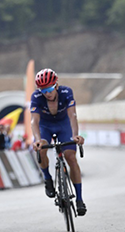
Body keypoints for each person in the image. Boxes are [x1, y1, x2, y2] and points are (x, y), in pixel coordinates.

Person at [30, 68, 86, 216]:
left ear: (56, 85)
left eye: (49, 89)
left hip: (63, 126)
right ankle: (47, 178)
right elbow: (34, 121)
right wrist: (37, 140)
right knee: (41, 149)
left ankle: (79, 199)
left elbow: (72, 115)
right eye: (43, 90)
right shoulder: (36, 96)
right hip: (45, 127)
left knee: (71, 157)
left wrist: (75, 135)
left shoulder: (66, 92)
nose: (47, 93)